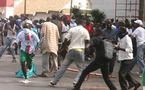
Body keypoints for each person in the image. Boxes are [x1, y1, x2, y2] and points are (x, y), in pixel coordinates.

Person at [50, 18, 90, 87]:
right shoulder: (85, 31)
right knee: (82, 68)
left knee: (63, 67)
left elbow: (66, 39)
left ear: (77, 23)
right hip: (80, 51)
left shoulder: (72, 29)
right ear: (84, 24)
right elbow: (87, 40)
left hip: (71, 50)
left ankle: (54, 81)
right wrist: (87, 53)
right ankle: (76, 81)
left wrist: (66, 47)